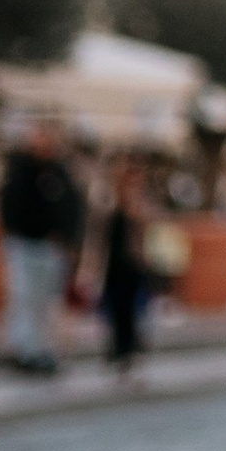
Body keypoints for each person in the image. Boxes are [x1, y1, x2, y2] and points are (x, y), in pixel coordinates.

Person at [2, 120, 86, 376]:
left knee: (46, 302)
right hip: (24, 245)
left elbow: (72, 207)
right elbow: (11, 206)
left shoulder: (59, 174)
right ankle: (24, 351)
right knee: (24, 298)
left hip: (51, 248)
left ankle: (42, 351)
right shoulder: (20, 171)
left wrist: (68, 239)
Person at [96, 160, 158, 379]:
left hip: (133, 266)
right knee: (114, 309)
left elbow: (151, 224)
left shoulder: (141, 204)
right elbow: (99, 232)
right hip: (113, 265)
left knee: (133, 310)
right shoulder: (109, 202)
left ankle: (130, 350)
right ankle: (117, 350)